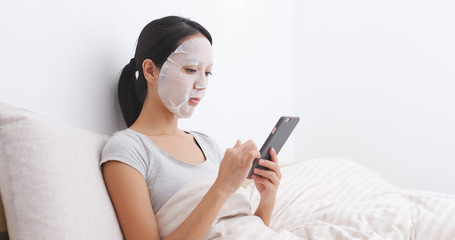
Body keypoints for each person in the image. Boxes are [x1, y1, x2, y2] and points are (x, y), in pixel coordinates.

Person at [100, 16, 282, 240]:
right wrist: (222, 186)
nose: (202, 84)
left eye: (207, 73)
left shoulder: (207, 144)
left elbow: (241, 229)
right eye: (190, 70)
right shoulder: (128, 149)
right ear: (150, 71)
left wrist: (267, 198)